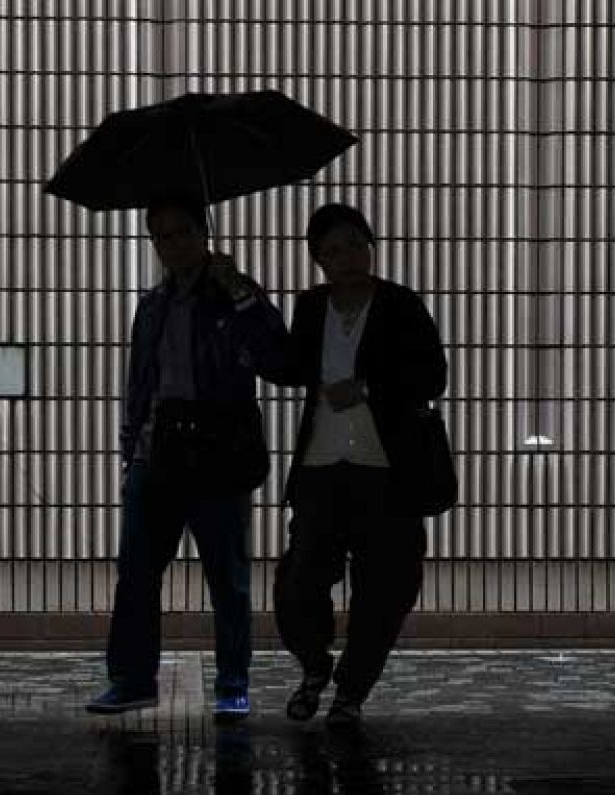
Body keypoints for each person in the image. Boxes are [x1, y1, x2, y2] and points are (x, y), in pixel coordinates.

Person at [87, 193, 295, 719]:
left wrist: (242, 293)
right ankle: (133, 679)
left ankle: (231, 683)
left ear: (203, 233)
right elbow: (140, 383)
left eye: (181, 232)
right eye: (160, 236)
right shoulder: (152, 306)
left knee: (227, 577)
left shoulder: (232, 294)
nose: (171, 245)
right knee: (135, 572)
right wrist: (131, 452)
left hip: (219, 454)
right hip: (157, 453)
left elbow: (277, 359)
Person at [272, 202, 447, 727]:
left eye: (352, 244)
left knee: (387, 587)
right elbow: (286, 368)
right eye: (330, 250)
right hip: (322, 468)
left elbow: (432, 376)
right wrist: (242, 299)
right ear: (317, 260)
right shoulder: (310, 307)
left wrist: (369, 388)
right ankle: (313, 665)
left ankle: (351, 691)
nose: (344, 257)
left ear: (370, 245)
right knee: (299, 581)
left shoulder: (401, 305)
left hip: (387, 471)